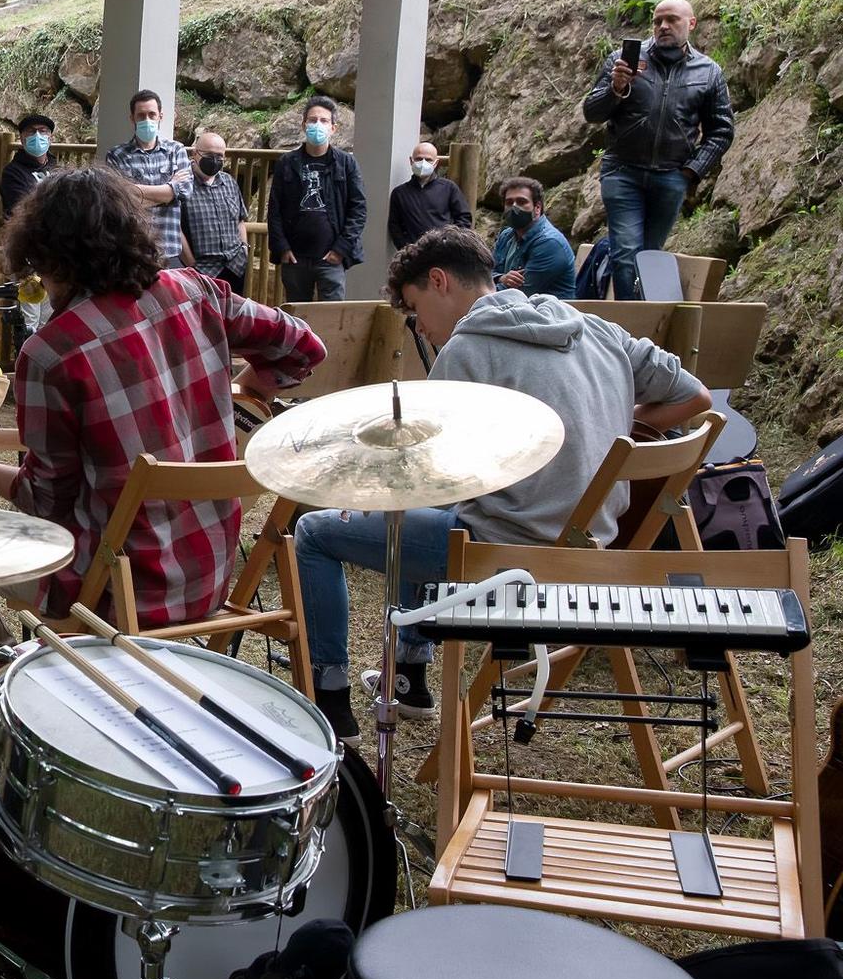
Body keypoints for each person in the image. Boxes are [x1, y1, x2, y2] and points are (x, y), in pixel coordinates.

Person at [294, 227, 710, 744]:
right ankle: (408, 679)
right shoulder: (596, 329)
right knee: (427, 518)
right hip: (590, 549)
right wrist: (611, 422)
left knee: (321, 530)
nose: (419, 329)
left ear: (440, 281)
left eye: (414, 309)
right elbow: (695, 396)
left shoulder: (467, 350)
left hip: (507, 559)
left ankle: (331, 700)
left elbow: (427, 480)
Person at [0, 166, 326, 672]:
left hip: (114, 592)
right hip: (209, 578)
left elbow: (44, 501)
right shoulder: (197, 290)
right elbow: (304, 348)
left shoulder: (50, 354)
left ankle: (7, 687)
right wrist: (249, 390)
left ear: (48, 255)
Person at [582, 0, 736, 300]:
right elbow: (591, 112)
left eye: (672, 20)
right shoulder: (622, 61)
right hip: (623, 171)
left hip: (670, 176)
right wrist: (615, 88)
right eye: (657, 21)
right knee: (625, 253)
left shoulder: (708, 72)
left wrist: (692, 171)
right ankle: (631, 327)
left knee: (650, 257)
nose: (663, 26)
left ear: (691, 24)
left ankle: (642, 321)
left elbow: (721, 130)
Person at [267, 100, 366, 303]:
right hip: (295, 258)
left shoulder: (346, 163)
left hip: (331, 259)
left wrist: (340, 250)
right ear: (304, 125)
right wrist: (282, 248)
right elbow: (275, 209)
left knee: (331, 318)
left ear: (333, 128)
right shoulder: (287, 163)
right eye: (312, 120)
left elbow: (358, 210)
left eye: (323, 120)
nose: (318, 125)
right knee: (296, 319)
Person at [104, 89, 192, 268]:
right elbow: (119, 200)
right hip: (134, 249)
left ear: (160, 116)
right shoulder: (116, 155)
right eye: (141, 115)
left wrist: (135, 194)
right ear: (132, 119)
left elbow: (185, 192)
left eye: (152, 114)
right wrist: (169, 191)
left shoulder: (176, 151)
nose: (147, 120)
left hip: (170, 251)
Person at [176, 130, 250, 295]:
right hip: (201, 271)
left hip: (235, 267)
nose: (215, 160)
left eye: (219, 156)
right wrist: (192, 266)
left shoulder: (229, 182)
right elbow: (176, 228)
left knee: (235, 318)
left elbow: (240, 220)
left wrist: (244, 248)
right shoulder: (181, 183)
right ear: (195, 153)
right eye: (209, 154)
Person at [492, 176, 576, 299]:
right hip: (516, 310)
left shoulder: (549, 243)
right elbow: (484, 273)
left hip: (550, 314)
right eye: (509, 203)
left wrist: (486, 285)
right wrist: (500, 278)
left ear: (537, 208)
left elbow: (520, 294)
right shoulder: (506, 236)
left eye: (521, 202)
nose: (514, 207)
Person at [387, 140, 471, 251]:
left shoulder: (449, 188)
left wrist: (450, 243)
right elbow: (394, 225)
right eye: (418, 159)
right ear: (411, 161)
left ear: (436, 163)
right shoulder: (399, 193)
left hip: (443, 253)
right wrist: (405, 248)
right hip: (413, 257)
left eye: (428, 159)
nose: (423, 163)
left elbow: (464, 218)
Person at [0, 112, 55, 216]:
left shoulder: (55, 168)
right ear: (22, 139)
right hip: (27, 230)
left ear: (50, 138)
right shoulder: (12, 173)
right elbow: (21, 209)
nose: (37, 135)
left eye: (42, 131)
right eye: (31, 131)